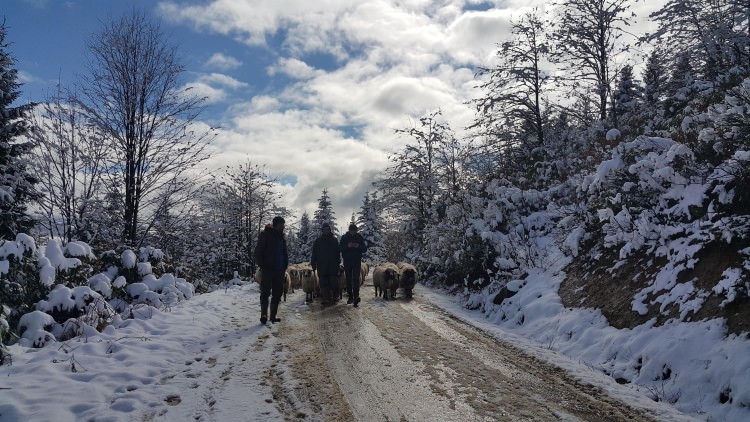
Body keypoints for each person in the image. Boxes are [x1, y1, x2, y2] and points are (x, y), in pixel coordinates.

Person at [254, 216, 289, 324]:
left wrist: (285, 264)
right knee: (265, 292)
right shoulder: (265, 235)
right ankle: (264, 315)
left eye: (283, 225)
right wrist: (263, 265)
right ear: (275, 225)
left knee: (277, 293)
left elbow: (284, 252)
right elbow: (258, 251)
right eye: (281, 225)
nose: (283, 227)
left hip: (280, 269)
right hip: (268, 269)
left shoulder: (282, 238)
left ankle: (273, 316)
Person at [310, 222, 340, 306]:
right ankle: (325, 298)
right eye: (325, 229)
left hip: (332, 265)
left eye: (328, 229)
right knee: (323, 282)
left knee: (333, 281)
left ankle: (334, 296)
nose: (326, 231)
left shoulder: (334, 240)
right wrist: (313, 262)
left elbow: (337, 252)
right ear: (322, 230)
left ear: (330, 230)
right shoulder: (318, 241)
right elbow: (314, 253)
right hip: (322, 265)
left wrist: (338, 261)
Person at [340, 223, 367, 307]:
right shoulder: (344, 237)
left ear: (356, 230)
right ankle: (350, 296)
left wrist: (358, 246)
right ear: (349, 230)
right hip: (347, 261)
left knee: (356, 278)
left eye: (354, 231)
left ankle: (356, 296)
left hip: (356, 261)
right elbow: (339, 248)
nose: (353, 232)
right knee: (348, 279)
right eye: (352, 231)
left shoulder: (359, 237)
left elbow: (364, 249)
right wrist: (347, 246)